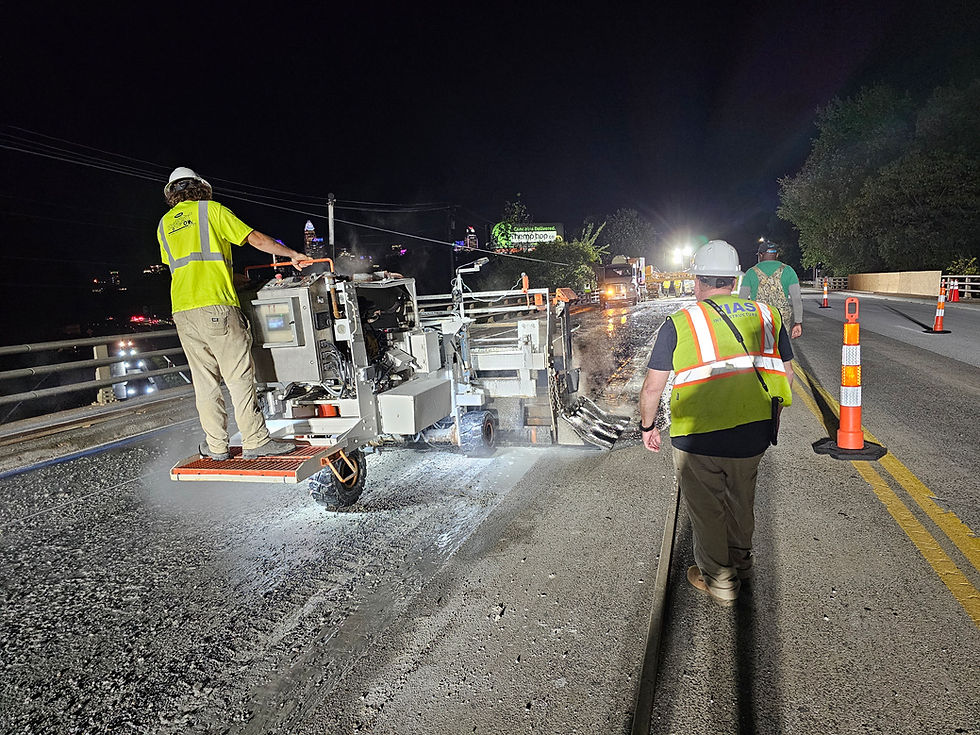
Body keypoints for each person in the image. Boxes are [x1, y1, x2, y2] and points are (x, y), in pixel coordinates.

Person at [639, 240, 794, 606]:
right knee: (742, 500)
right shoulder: (769, 315)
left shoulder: (680, 323)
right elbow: (786, 376)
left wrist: (649, 427)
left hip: (698, 438)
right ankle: (742, 563)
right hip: (753, 434)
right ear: (736, 280)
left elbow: (652, 388)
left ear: (697, 282)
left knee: (707, 510)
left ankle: (720, 580)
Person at [157, 167, 310, 461]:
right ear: (201, 188)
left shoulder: (164, 224)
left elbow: (190, 266)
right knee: (239, 378)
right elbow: (254, 239)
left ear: (172, 193)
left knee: (205, 383)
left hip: (183, 312)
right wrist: (292, 254)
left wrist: (234, 277)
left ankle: (216, 447)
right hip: (217, 306)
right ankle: (255, 440)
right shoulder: (211, 210)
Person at [739, 240, 803, 338]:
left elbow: (742, 300)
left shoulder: (751, 272)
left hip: (758, 321)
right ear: (776, 255)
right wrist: (798, 322)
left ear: (760, 255)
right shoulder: (788, 270)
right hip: (781, 322)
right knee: (780, 349)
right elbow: (797, 299)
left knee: (760, 350)